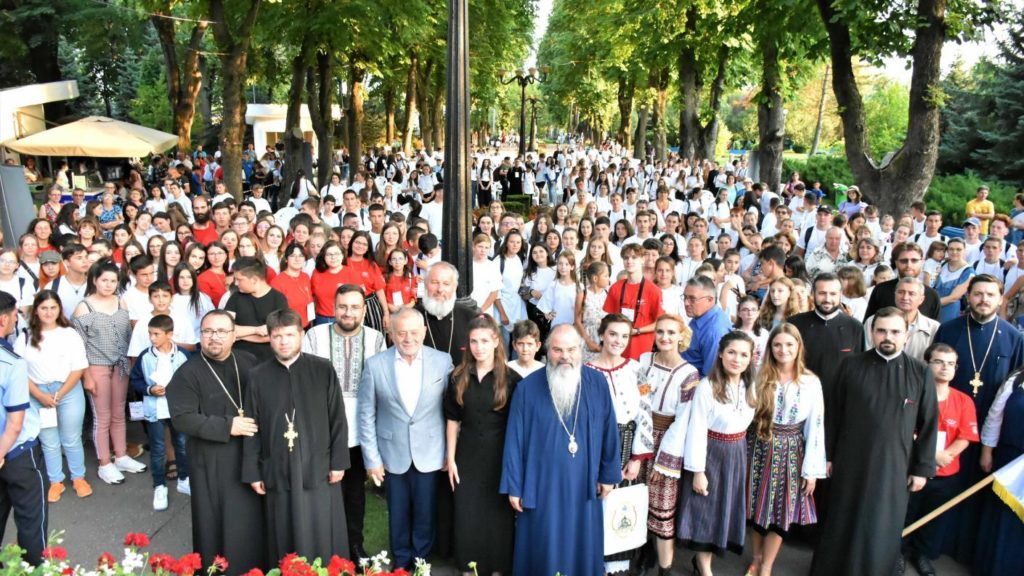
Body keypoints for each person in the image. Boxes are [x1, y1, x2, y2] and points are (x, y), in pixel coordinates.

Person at [810, 307, 938, 576]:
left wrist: (921, 469)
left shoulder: (920, 372)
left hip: (894, 465)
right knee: (842, 519)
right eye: (882, 331)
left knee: (882, 525)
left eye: (895, 331)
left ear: (906, 335)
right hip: (849, 461)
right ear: (871, 332)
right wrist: (828, 456)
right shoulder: (850, 365)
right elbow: (833, 413)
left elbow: (928, 423)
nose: (888, 337)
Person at [500, 324, 621, 576]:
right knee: (545, 546)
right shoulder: (527, 388)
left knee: (581, 546)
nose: (565, 356)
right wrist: (514, 486)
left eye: (571, 349)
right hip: (542, 487)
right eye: (557, 350)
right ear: (547, 351)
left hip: (585, 485)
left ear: (581, 350)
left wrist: (608, 475)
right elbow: (514, 440)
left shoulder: (597, 383)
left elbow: (610, 430)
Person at [242, 308, 349, 565]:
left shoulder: (322, 369)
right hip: (277, 466)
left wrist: (338, 462)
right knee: (283, 529)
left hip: (318, 466)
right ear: (269, 338)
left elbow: (337, 418)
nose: (284, 342)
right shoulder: (257, 376)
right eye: (277, 336)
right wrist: (253, 471)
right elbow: (251, 427)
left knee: (321, 527)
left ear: (301, 334)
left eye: (290, 335)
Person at [932, 273, 1024, 563]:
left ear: (1000, 299)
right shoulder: (948, 330)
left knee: (975, 492)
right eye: (978, 294)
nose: (984, 299)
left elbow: (1013, 387)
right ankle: (931, 546)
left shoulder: (1014, 337)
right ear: (968, 297)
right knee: (942, 488)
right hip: (948, 427)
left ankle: (968, 551)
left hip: (988, 432)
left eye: (990, 294)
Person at [166, 310, 265, 574]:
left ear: (234, 336)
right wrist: (228, 425)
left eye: (221, 331)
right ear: (200, 336)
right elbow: (182, 418)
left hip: (248, 456)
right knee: (216, 523)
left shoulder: (248, 361)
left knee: (252, 519)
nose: (214, 337)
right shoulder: (187, 374)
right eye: (208, 331)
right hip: (211, 461)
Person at [357, 307, 455, 571]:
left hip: (431, 452)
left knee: (426, 512)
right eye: (401, 333)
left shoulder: (443, 361)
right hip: (392, 454)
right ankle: (401, 563)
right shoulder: (375, 365)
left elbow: (452, 411)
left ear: (423, 331)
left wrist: (450, 452)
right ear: (391, 333)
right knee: (398, 514)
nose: (408, 338)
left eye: (413, 332)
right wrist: (372, 460)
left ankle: (422, 562)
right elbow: (366, 415)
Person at [302, 285, 387, 561]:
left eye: (354, 307)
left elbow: (380, 386)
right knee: (323, 493)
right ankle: (325, 550)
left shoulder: (375, 338)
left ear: (363, 310)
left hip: (360, 431)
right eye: (342, 307)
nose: (348, 313)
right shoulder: (315, 336)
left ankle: (354, 547)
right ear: (333, 307)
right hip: (323, 430)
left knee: (354, 494)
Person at [746, 324, 826, 576]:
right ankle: (756, 558)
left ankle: (767, 565)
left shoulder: (810, 382)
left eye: (789, 344)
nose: (783, 350)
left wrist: (811, 470)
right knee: (755, 508)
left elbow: (816, 426)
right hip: (758, 446)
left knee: (781, 512)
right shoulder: (759, 376)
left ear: (798, 347)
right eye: (778, 344)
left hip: (791, 451)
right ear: (770, 347)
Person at [444, 315, 521, 576]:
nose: (479, 347)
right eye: (474, 341)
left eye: (485, 341)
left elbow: (517, 426)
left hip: (499, 457)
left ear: (496, 341)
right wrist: (451, 459)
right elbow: (452, 420)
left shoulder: (511, 379)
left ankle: (497, 568)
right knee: (467, 513)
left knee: (497, 516)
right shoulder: (458, 377)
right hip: (466, 456)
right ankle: (468, 568)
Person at [676, 331, 757, 576]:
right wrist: (698, 472)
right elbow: (697, 430)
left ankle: (703, 562)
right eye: (731, 352)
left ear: (750, 358)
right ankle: (704, 568)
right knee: (706, 509)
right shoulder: (707, 387)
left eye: (743, 354)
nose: (737, 359)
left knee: (724, 507)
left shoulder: (750, 386)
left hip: (737, 452)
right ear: (720, 354)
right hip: (711, 452)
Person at [902, 343, 978, 576]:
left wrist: (944, 456)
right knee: (905, 515)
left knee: (932, 519)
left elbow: (966, 436)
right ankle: (898, 554)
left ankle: (921, 555)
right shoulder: (913, 395)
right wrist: (930, 455)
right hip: (912, 469)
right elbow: (905, 429)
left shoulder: (964, 400)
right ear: (926, 363)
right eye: (939, 362)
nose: (945, 368)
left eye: (950, 364)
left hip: (945, 472)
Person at [72, 260, 146, 485]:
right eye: (104, 280)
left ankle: (121, 456)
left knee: (118, 413)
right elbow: (78, 346)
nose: (108, 284)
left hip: (121, 366)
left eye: (113, 281)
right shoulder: (84, 307)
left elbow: (127, 335)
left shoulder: (120, 301)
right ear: (94, 280)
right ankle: (104, 463)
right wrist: (86, 376)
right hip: (96, 367)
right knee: (101, 416)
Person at [586, 314, 650, 574]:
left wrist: (637, 458)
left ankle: (616, 567)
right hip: (597, 446)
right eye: (613, 334)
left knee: (620, 507)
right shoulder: (586, 371)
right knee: (597, 502)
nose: (618, 340)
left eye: (624, 336)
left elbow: (645, 410)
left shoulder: (636, 369)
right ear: (602, 334)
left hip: (627, 445)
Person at [16, 291, 92, 502]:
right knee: (49, 440)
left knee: (71, 438)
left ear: (59, 309)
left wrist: (59, 393)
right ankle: (55, 481)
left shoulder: (70, 334)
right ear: (36, 310)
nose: (48, 312)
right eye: (44, 308)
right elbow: (19, 371)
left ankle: (78, 477)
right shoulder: (25, 336)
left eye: (53, 308)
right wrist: (40, 395)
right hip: (37, 393)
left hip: (68, 390)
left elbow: (78, 367)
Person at [641, 315, 701, 575]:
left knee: (662, 509)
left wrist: (664, 461)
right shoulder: (645, 360)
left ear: (681, 336)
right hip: (641, 437)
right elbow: (638, 399)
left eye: (671, 332)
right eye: (660, 331)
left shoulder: (689, 373)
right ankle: (642, 552)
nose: (665, 337)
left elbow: (683, 420)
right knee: (635, 500)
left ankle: (665, 569)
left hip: (667, 441)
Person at [0, 291, 47, 565]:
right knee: (31, 523)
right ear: (3, 319)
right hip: (17, 453)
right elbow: (15, 422)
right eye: (15, 315)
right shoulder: (11, 362)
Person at [129, 314, 191, 511]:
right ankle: (159, 485)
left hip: (177, 410)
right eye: (150, 334)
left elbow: (191, 379)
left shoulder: (183, 355)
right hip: (154, 410)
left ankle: (184, 479)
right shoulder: (145, 356)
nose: (152, 338)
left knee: (182, 445)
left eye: (156, 334)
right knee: (157, 449)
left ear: (170, 334)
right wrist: (149, 389)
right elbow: (135, 380)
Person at [976, 362, 1024, 576]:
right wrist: (987, 451)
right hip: (1010, 460)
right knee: (1003, 518)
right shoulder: (1016, 380)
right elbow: (995, 417)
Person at [603, 243, 662, 360]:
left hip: (642, 349)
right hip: (617, 347)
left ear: (642, 259)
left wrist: (637, 331)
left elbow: (659, 323)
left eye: (634, 257)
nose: (629, 261)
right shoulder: (615, 287)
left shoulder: (653, 290)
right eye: (626, 258)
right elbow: (608, 318)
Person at [224, 257, 289, 362]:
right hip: (238, 359)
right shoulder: (235, 297)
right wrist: (257, 330)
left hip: (268, 360)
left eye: (239, 279)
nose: (235, 283)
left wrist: (238, 335)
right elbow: (225, 328)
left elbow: (277, 334)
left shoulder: (278, 299)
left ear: (254, 280)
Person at [416, 262, 479, 366]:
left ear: (454, 287)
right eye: (434, 282)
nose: (440, 289)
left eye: (446, 284)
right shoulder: (412, 317)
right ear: (426, 284)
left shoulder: (471, 318)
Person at [864, 276, 938, 362]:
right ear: (894, 295)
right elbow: (866, 354)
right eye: (901, 292)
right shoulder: (873, 321)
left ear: (921, 299)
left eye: (911, 294)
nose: (905, 297)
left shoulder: (933, 327)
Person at [864, 242, 941, 321]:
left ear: (922, 262)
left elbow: (934, 327)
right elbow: (868, 323)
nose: (909, 265)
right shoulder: (880, 290)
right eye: (904, 261)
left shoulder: (932, 295)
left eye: (914, 260)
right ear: (896, 262)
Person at [681, 275, 732, 376]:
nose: (686, 303)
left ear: (710, 300)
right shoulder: (701, 315)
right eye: (685, 297)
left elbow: (710, 376)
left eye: (692, 299)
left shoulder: (715, 331)